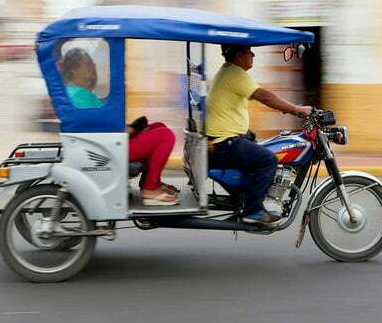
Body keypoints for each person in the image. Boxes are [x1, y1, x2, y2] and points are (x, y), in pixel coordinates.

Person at [206, 44, 312, 227]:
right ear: (238, 55)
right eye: (248, 51)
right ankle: (253, 211)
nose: (253, 54)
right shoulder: (235, 74)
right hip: (225, 143)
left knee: (259, 145)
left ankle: (247, 196)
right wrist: (297, 110)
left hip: (224, 140)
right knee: (269, 160)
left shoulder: (228, 72)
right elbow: (264, 96)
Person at [58, 47, 179, 205]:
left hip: (106, 144)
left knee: (158, 126)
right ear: (76, 69)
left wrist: (133, 127)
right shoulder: (80, 96)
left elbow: (101, 123)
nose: (94, 70)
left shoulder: (77, 93)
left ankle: (151, 182)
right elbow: (104, 129)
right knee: (165, 136)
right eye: (89, 65)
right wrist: (131, 129)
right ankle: (150, 189)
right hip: (106, 149)